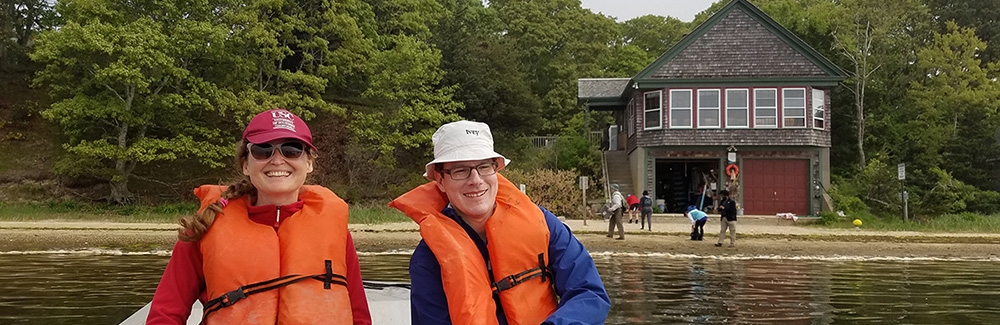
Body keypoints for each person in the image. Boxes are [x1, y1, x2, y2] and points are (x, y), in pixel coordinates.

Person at [147, 109, 372, 324]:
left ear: (309, 162)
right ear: (246, 164)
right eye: (263, 150)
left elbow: (359, 316)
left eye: (291, 150)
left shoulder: (334, 232)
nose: (277, 160)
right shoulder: (206, 224)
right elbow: (165, 314)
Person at [390, 120, 611, 325]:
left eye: (484, 167)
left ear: (496, 170)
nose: (475, 180)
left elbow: (589, 294)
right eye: (460, 171)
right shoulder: (428, 259)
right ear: (440, 180)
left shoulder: (544, 224)